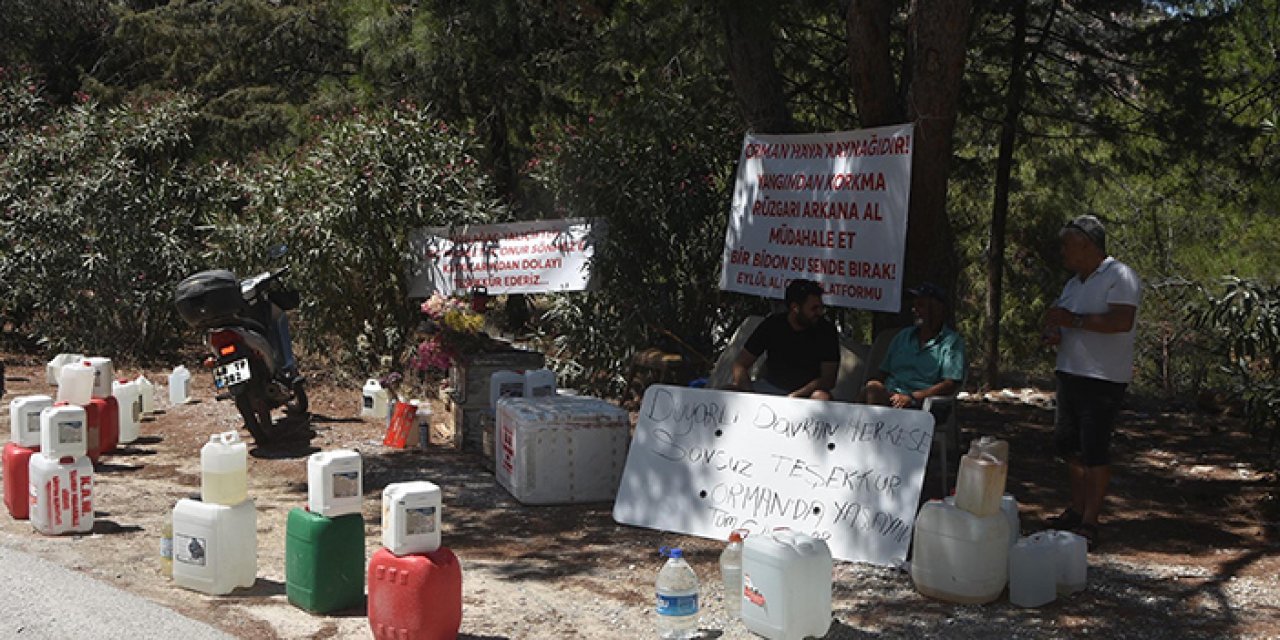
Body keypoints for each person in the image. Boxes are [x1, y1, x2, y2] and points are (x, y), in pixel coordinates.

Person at [1041, 214, 1141, 548]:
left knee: (1094, 449)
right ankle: (1077, 507)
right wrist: (1056, 332)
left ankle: (1091, 521)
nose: (1063, 252)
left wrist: (1075, 321)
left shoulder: (1120, 275)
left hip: (1102, 378)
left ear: (1086, 245)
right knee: (1067, 444)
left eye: (1067, 245)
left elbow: (1122, 321)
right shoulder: (1073, 284)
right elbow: (1064, 323)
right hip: (1069, 372)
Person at [859, 282, 966, 409]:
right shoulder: (902, 336)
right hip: (890, 397)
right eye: (914, 306)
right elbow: (883, 372)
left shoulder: (951, 342)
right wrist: (875, 385)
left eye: (920, 306)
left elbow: (950, 385)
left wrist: (913, 397)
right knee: (872, 389)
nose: (914, 310)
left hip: (923, 404)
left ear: (937, 309)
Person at [728, 279, 838, 399]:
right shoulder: (772, 324)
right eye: (814, 308)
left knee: (822, 397)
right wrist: (749, 394)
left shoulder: (826, 331)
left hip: (806, 395)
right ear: (795, 308)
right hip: (769, 389)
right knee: (727, 391)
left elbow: (828, 379)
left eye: (821, 307)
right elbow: (740, 364)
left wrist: (795, 396)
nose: (819, 313)